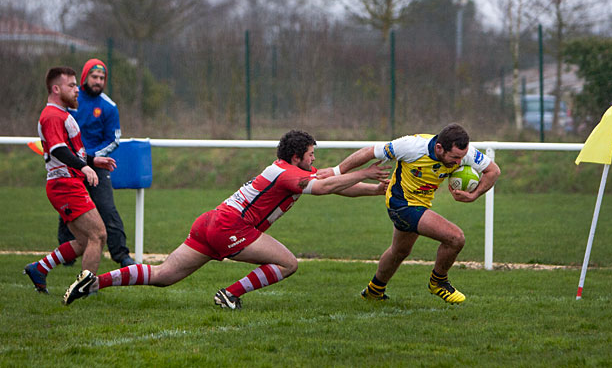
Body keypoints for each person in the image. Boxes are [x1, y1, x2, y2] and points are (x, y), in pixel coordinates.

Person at [63, 130, 390, 308]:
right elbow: (324, 187)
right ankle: (230, 294)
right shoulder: (289, 173)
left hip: (212, 221)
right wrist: (364, 169)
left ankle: (95, 282)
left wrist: (374, 189)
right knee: (289, 264)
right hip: (231, 227)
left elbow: (335, 183)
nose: (314, 160)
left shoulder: (289, 170)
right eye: (311, 156)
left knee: (164, 275)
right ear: (296, 157)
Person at [329, 123, 500, 304]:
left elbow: (493, 171)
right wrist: (336, 171)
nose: (459, 163)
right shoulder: (411, 146)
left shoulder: (465, 154)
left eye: (462, 158)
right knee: (455, 237)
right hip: (401, 204)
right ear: (439, 148)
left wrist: (473, 195)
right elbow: (370, 152)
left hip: (421, 203)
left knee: (400, 251)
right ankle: (438, 282)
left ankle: (374, 291)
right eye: (455, 157)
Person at [23, 66, 116, 298]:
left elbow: (73, 150)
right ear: (56, 89)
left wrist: (94, 160)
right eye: (71, 86)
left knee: (86, 241)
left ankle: (40, 268)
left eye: (76, 85)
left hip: (69, 183)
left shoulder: (63, 114)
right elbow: (58, 149)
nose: (77, 90)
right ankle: (85, 290)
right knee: (99, 235)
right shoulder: (52, 115)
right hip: (65, 184)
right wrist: (84, 166)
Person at [57, 59, 135, 268]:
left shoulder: (109, 106)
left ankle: (122, 255)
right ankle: (67, 254)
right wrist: (77, 158)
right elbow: (60, 132)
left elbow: (114, 139)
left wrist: (91, 158)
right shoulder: (70, 100)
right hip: (71, 165)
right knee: (68, 210)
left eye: (102, 78)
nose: (98, 81)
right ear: (84, 77)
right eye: (94, 77)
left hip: (97, 168)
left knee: (107, 210)